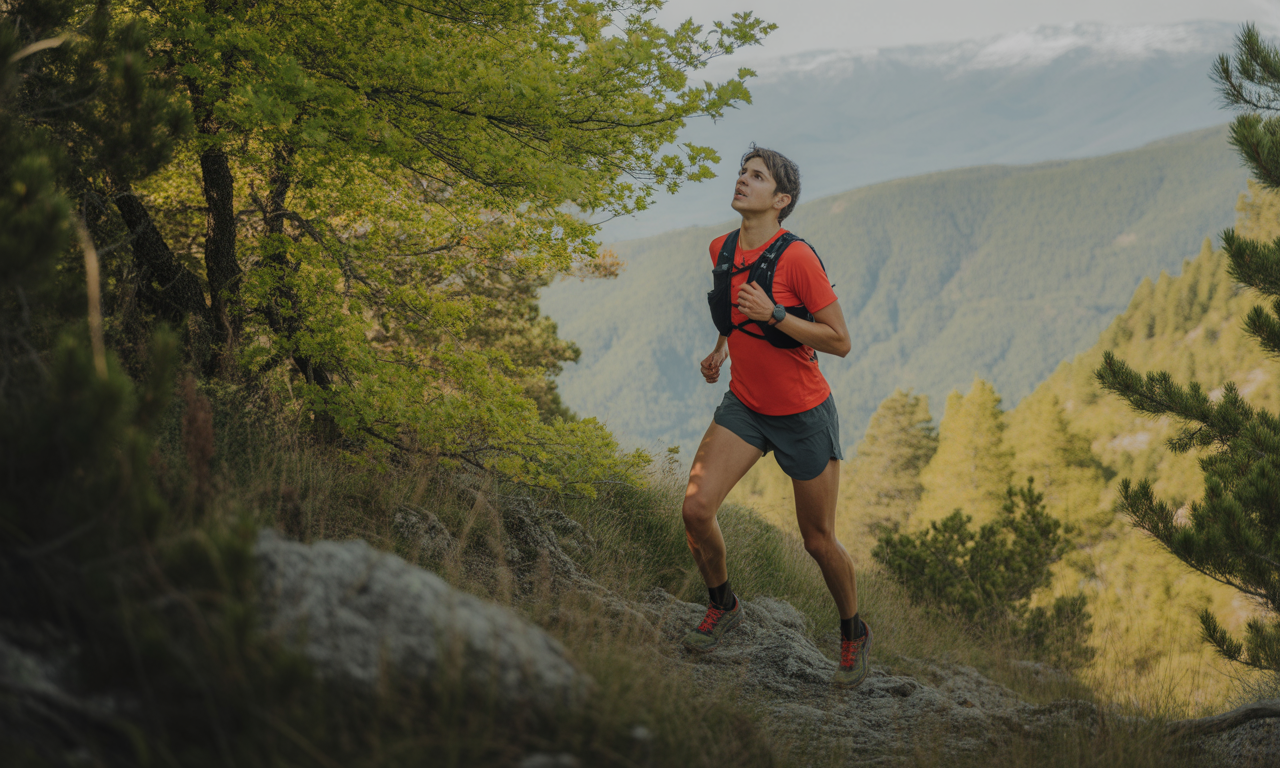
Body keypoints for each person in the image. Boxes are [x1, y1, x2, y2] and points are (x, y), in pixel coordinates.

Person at [680, 145, 870, 688]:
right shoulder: (721, 249)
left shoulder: (798, 259)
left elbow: (840, 341)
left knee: (817, 540)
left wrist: (778, 314)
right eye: (743, 172)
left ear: (781, 199)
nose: (742, 180)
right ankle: (724, 605)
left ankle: (853, 632)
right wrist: (722, 347)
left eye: (756, 176)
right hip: (745, 405)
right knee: (696, 510)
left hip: (803, 414)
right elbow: (735, 310)